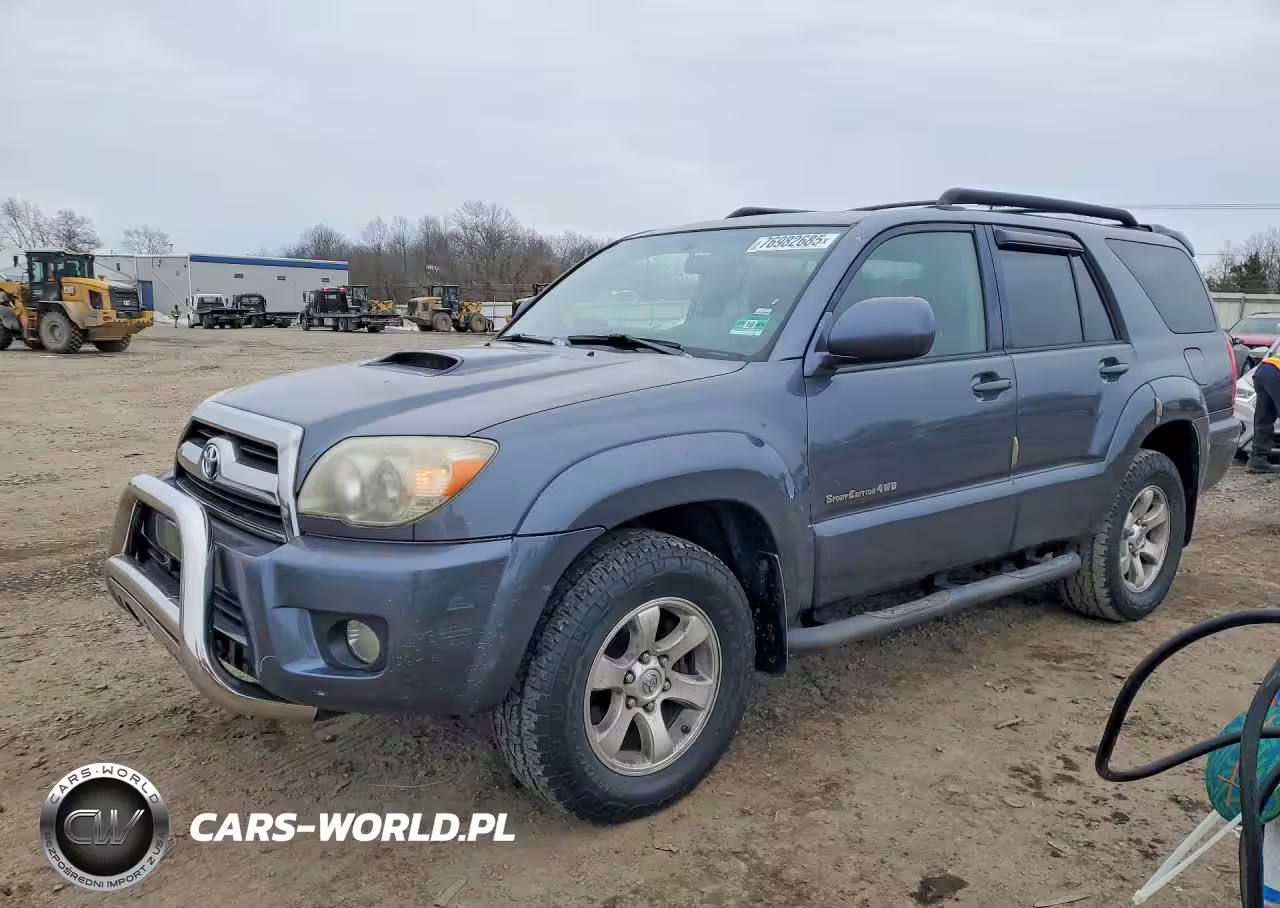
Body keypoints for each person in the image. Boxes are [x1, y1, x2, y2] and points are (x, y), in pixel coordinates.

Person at [1249, 349, 1280, 474]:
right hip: (1276, 373)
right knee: (1264, 418)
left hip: (1263, 370)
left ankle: (1258, 460)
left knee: (1264, 418)